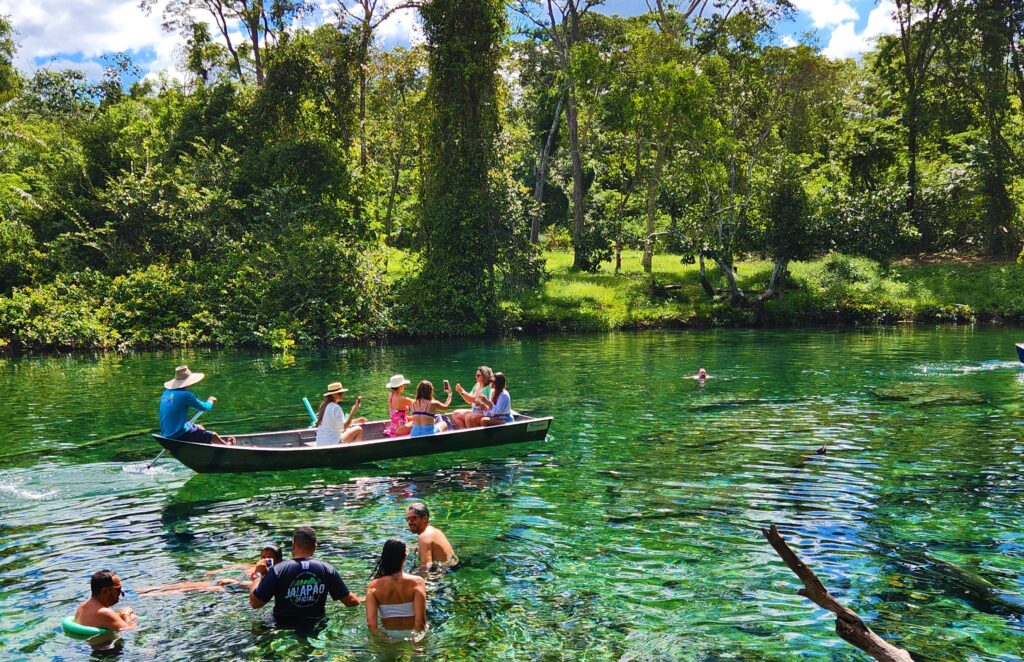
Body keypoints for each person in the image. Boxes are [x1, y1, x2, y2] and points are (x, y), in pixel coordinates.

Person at [250, 528, 362, 627]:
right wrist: (364, 599)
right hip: (315, 624)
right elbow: (351, 601)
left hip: (282, 625)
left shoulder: (278, 570)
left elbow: (255, 603)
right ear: (315, 546)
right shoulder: (327, 569)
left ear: (293, 545)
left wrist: (258, 574)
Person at [137, 546, 283, 596]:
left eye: (269, 559)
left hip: (232, 588)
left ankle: (150, 595)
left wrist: (235, 582)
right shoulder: (257, 566)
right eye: (262, 557)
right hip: (227, 582)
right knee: (187, 583)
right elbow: (238, 567)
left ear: (278, 560)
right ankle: (142, 590)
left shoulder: (277, 572)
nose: (265, 561)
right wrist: (217, 571)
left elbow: (259, 587)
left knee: (191, 589)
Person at [365, 538, 427, 636]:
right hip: (412, 635)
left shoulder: (373, 586)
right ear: (404, 558)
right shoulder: (417, 582)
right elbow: (420, 622)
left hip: (388, 636)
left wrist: (385, 640)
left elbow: (371, 624)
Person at [159, 365, 234, 445]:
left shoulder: (166, 393)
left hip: (166, 433)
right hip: (178, 434)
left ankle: (206, 447)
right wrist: (210, 401)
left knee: (200, 427)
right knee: (213, 435)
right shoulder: (185, 395)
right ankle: (227, 446)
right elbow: (205, 407)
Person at [73, 570, 138, 632]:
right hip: (104, 643)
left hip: (90, 643)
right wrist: (125, 614)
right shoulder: (104, 612)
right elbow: (131, 630)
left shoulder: (82, 606)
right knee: (133, 617)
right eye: (118, 589)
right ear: (105, 591)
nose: (121, 592)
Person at [405, 502, 455, 568]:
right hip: (453, 567)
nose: (409, 522)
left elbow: (426, 568)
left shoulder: (424, 536)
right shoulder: (434, 531)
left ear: (425, 519)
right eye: (407, 519)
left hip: (445, 573)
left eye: (413, 518)